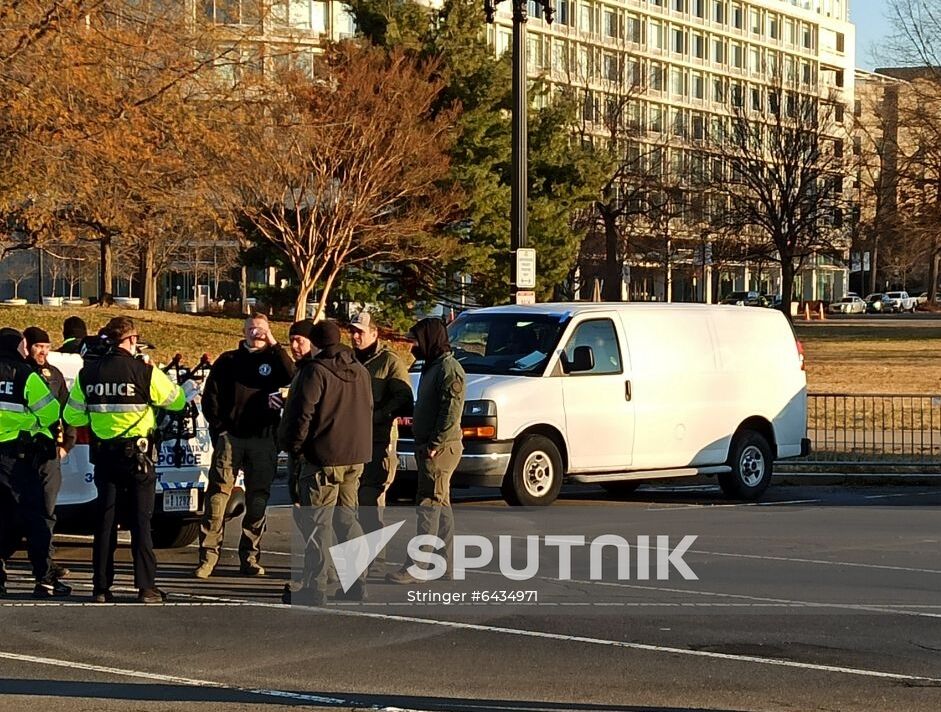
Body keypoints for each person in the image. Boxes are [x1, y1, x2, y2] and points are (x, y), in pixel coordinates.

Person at [64, 317, 187, 603]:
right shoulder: (144, 371)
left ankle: (101, 588)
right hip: (138, 457)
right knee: (141, 522)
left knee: (105, 522)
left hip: (105, 456)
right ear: (131, 340)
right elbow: (176, 401)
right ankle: (146, 587)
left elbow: (72, 416)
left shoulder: (88, 373)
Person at [279, 320, 373, 605]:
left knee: (318, 522)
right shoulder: (360, 370)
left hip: (323, 456)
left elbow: (301, 414)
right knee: (348, 519)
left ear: (316, 343)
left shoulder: (315, 371)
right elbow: (368, 407)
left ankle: (315, 586)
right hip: (355, 455)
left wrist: (295, 447)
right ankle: (357, 583)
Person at [196, 313, 294, 579]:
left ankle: (250, 557)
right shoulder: (228, 361)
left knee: (258, 499)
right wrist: (221, 429)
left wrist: (275, 344)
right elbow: (210, 398)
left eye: (261, 329)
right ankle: (208, 557)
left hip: (263, 439)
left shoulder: (275, 360)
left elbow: (293, 376)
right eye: (251, 328)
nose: (256, 333)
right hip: (231, 439)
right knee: (217, 498)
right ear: (243, 331)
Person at [387, 318, 465, 585]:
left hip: (439, 449)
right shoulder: (433, 367)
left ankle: (418, 565)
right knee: (440, 506)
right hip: (429, 446)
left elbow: (450, 412)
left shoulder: (448, 369)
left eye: (417, 341)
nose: (413, 346)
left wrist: (436, 443)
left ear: (430, 339)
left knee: (428, 506)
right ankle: (446, 564)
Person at [0, 328, 70, 598]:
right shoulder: (24, 375)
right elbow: (51, 411)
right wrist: (28, 424)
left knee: (3, 519)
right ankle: (45, 579)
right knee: (35, 518)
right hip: (17, 458)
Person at [349, 312, 413, 573]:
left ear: (374, 334)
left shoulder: (389, 362)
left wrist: (378, 415)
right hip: (350, 441)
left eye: (360, 332)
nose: (355, 336)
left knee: (370, 500)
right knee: (350, 500)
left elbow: (404, 398)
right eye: (352, 331)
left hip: (378, 441)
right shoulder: (347, 359)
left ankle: (375, 557)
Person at [24, 326, 76, 580]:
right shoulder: (19, 373)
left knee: (47, 509)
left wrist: (67, 443)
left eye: (46, 346)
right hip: (20, 452)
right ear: (27, 346)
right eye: (38, 346)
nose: (43, 352)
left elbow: (68, 411)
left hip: (48, 454)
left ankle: (45, 562)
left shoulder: (54, 375)